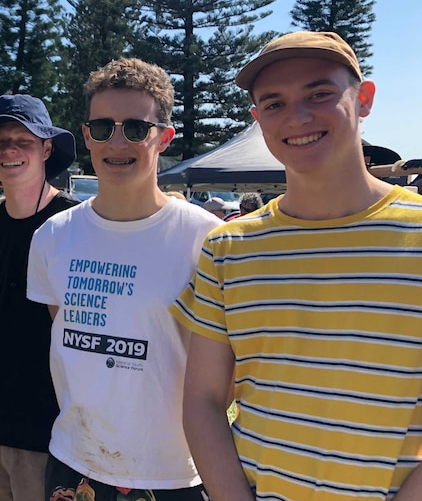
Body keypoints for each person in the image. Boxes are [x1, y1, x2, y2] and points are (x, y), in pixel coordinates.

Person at [172, 31, 422, 501]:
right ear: (258, 120)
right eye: (274, 103)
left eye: (319, 94)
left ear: (363, 98)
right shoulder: (227, 249)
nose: (297, 117)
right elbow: (203, 402)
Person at [27, 57, 222, 500]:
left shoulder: (205, 237)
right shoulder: (52, 237)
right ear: (86, 137)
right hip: (74, 462)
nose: (117, 141)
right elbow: (71, 342)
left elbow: (221, 376)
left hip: (172, 472)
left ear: (164, 138)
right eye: (102, 128)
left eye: (135, 128)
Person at [0, 94, 78, 501]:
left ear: (47, 148)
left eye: (23, 140)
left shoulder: (77, 225)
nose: (9, 150)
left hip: (53, 427)